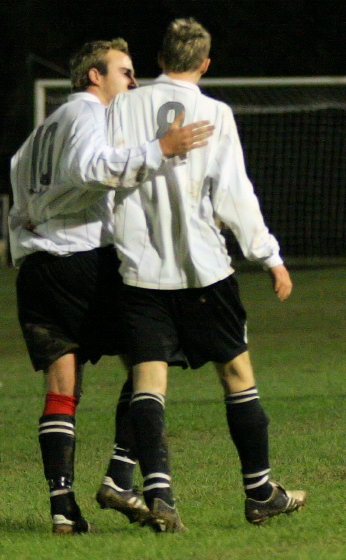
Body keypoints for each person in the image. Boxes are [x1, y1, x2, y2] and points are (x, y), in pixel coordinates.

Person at [106, 18, 307, 532]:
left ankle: (159, 493)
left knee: (150, 382)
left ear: (159, 58)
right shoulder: (215, 113)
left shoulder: (122, 105)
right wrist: (269, 256)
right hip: (205, 273)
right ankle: (260, 491)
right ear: (205, 64)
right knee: (237, 376)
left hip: (140, 273)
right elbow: (234, 194)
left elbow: (101, 175)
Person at [9, 38, 214, 534]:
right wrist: (158, 149)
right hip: (82, 264)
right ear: (93, 77)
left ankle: (63, 511)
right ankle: (122, 475)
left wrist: (31, 229)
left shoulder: (41, 132)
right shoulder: (88, 113)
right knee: (153, 355)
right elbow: (89, 169)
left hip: (38, 271)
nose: (133, 81)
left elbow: (20, 182)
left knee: (62, 389)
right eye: (124, 71)